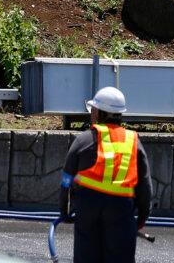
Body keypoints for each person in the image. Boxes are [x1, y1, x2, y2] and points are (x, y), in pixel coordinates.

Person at [60, 86, 152, 263]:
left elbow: (66, 179)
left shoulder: (83, 140)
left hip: (88, 206)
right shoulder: (133, 141)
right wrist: (141, 218)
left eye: (93, 110)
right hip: (121, 209)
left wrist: (64, 210)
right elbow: (145, 185)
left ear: (98, 112)